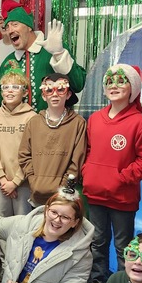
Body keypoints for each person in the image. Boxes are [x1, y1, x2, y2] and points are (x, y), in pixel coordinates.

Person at [81, 64, 142, 283]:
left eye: (121, 81)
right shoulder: (94, 119)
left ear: (132, 87)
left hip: (122, 198)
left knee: (123, 245)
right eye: (109, 81)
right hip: (95, 194)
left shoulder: (140, 123)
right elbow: (89, 151)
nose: (114, 85)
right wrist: (89, 172)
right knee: (97, 242)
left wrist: (120, 177)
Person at [0, 4, 85, 112]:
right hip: (20, 127)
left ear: (29, 27)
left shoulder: (53, 50)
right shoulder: (7, 63)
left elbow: (78, 84)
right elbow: (1, 104)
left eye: (15, 24)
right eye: (7, 27)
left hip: (54, 125)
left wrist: (59, 54)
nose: (10, 30)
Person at [19, 73, 87, 206]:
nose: (54, 94)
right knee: (38, 226)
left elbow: (77, 161)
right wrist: (33, 181)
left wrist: (63, 187)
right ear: (44, 95)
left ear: (68, 94)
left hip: (63, 197)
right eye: (49, 90)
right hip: (36, 194)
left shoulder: (78, 123)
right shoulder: (33, 122)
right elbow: (24, 155)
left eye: (60, 89)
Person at [0, 69, 37, 218]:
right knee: (2, 222)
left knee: (22, 222)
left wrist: (15, 182)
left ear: (25, 93)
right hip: (0, 182)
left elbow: (33, 154)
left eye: (15, 87)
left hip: (24, 182)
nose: (10, 91)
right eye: (5, 87)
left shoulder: (32, 118)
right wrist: (3, 179)